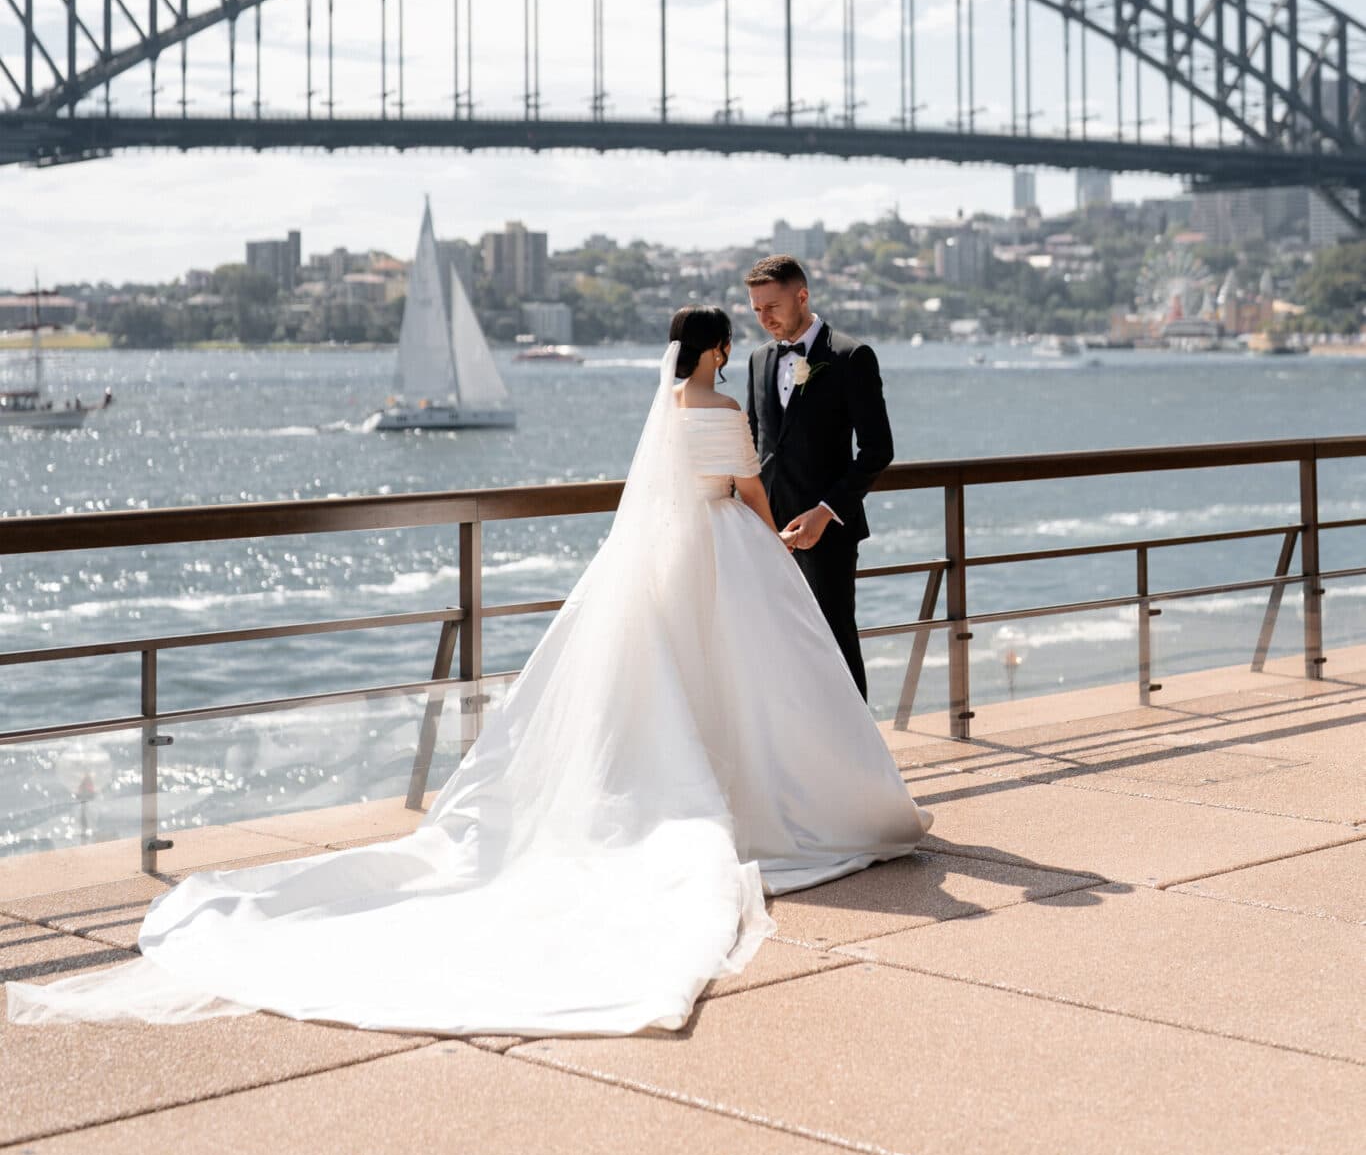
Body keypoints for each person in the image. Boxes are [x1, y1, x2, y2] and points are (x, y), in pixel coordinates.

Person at [8, 311, 928, 1040]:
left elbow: (663, 494)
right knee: (764, 678)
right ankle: (774, 799)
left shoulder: (669, 415)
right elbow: (750, 491)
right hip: (729, 546)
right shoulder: (724, 412)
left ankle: (692, 799)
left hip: (662, 558)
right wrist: (775, 535)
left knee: (675, 686)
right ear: (721, 350)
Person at [744, 255, 894, 698]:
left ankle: (859, 758)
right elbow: (756, 445)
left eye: (771, 306)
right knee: (777, 647)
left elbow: (878, 449)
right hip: (766, 531)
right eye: (755, 309)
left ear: (802, 296)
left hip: (826, 531)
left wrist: (825, 513)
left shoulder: (850, 356)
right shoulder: (757, 360)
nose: (764, 318)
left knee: (835, 641)